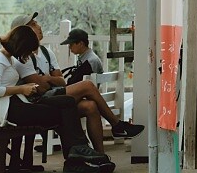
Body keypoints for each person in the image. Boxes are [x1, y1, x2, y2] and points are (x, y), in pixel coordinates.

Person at [10, 13, 143, 151]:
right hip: (36, 103)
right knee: (87, 85)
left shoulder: (46, 52)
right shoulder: (23, 55)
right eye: (33, 24)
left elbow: (61, 81)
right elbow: (41, 88)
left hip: (53, 97)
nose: (39, 26)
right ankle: (117, 125)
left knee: (91, 106)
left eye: (37, 23)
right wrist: (50, 80)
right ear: (22, 31)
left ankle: (100, 155)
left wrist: (48, 79)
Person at [0, 24, 109, 173]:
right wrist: (22, 89)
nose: (28, 55)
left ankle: (78, 150)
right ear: (20, 45)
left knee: (68, 102)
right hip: (9, 109)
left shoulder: (9, 59)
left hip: (20, 102)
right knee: (63, 113)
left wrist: (26, 88)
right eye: (27, 50)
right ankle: (75, 159)